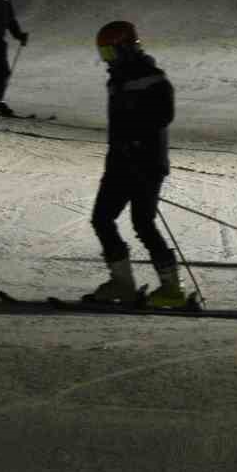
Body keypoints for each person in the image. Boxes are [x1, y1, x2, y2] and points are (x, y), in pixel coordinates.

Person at [86, 20, 188, 308]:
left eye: (110, 53)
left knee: (143, 222)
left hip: (147, 162)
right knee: (102, 219)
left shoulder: (153, 78)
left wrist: (137, 140)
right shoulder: (117, 79)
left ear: (126, 47)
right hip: (119, 162)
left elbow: (163, 115)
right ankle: (122, 283)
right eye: (104, 54)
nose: (108, 60)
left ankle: (172, 289)